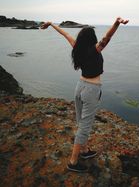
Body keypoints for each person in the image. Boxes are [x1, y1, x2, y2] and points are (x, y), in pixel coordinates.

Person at [40, 17, 129, 172]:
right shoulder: (95, 49)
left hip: (80, 87)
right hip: (91, 89)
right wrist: (116, 23)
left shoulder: (77, 47)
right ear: (92, 39)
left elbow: (65, 34)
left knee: (81, 121)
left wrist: (51, 24)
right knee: (85, 126)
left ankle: (85, 150)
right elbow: (107, 37)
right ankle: (73, 161)